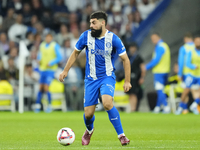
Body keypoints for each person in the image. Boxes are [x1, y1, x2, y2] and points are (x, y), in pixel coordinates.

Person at [59, 11, 131, 146]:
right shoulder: (85, 36)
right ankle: (89, 130)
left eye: (94, 22)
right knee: (88, 114)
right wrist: (65, 71)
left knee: (107, 103)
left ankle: (121, 135)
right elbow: (75, 53)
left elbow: (125, 60)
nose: (90, 25)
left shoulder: (113, 39)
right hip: (91, 79)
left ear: (102, 23)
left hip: (107, 77)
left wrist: (127, 81)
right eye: (90, 23)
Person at [34, 33, 62, 113]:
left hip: (51, 70)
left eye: (49, 37)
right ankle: (37, 105)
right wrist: (38, 59)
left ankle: (49, 105)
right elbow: (40, 54)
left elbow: (60, 57)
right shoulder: (42, 45)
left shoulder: (55, 45)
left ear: (52, 38)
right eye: (47, 37)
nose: (48, 39)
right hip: (42, 69)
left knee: (46, 88)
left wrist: (51, 62)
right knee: (40, 87)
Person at [145, 33, 171, 113]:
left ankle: (166, 107)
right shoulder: (165, 45)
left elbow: (156, 60)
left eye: (154, 38)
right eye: (152, 39)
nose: (153, 40)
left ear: (159, 37)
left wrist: (146, 67)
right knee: (161, 89)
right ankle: (158, 107)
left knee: (159, 89)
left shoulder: (160, 47)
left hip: (159, 71)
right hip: (165, 70)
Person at [175, 33, 195, 115]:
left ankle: (181, 107)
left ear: (185, 39)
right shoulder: (196, 47)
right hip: (197, 73)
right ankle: (187, 108)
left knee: (185, 91)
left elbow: (181, 61)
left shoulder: (184, 48)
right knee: (194, 91)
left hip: (187, 73)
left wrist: (179, 74)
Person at [127, 43, 145, 112]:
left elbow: (143, 68)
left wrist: (142, 77)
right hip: (129, 77)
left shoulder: (138, 57)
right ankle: (131, 108)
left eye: (133, 47)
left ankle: (134, 109)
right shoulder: (128, 56)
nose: (131, 49)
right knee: (130, 93)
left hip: (136, 78)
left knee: (134, 93)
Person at [185, 36, 200, 115]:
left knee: (197, 93)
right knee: (186, 91)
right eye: (197, 41)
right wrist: (194, 66)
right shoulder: (191, 51)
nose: (198, 43)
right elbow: (187, 63)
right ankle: (181, 107)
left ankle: (194, 105)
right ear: (194, 42)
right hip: (191, 75)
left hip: (199, 75)